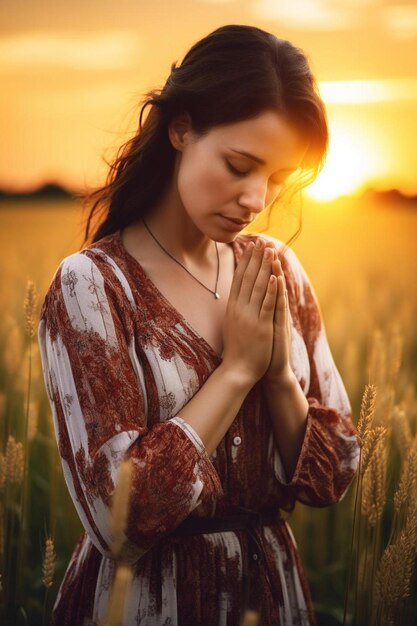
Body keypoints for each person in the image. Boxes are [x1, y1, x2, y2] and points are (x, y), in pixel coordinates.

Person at [37, 24, 360, 626]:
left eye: (276, 179)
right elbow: (119, 519)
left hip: (272, 597)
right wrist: (236, 371)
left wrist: (279, 379)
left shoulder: (276, 269)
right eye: (240, 165)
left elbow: (334, 473)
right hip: (139, 603)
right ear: (180, 128)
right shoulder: (93, 286)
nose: (255, 198)